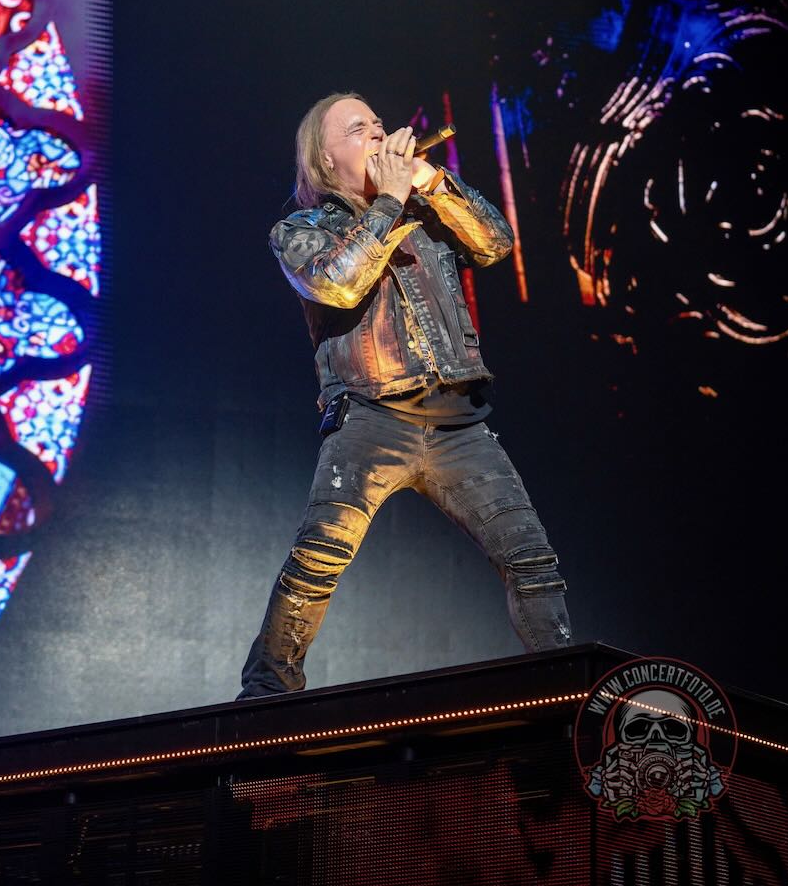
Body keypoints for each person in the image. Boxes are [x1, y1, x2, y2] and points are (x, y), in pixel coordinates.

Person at [238, 92, 572, 698]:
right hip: (370, 419)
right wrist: (388, 200)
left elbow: (496, 243)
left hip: (458, 425)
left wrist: (429, 181)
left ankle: (562, 693)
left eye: (378, 123)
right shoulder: (302, 230)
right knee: (317, 561)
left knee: (531, 558)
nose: (377, 133)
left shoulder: (428, 209)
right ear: (324, 158)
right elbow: (338, 285)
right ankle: (265, 698)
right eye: (357, 128)